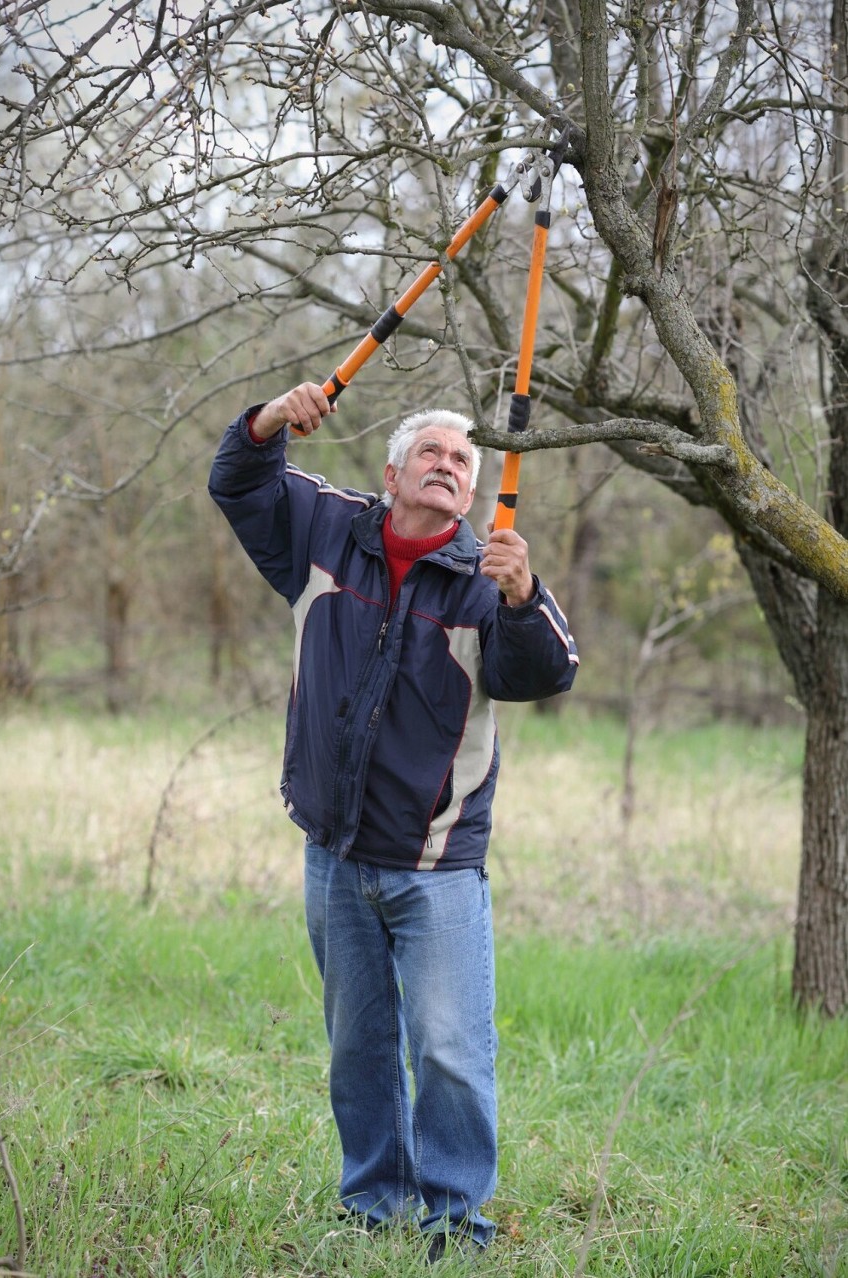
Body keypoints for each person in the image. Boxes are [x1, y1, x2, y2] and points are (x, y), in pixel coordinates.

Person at [208, 382, 579, 1263]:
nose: (448, 467)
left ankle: (456, 1222)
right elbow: (239, 479)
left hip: (438, 863)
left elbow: (545, 674)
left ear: (473, 489)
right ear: (393, 471)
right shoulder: (327, 532)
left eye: (463, 460)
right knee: (357, 1049)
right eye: (433, 453)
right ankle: (373, 1203)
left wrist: (525, 596)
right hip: (334, 853)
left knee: (450, 1051)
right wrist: (269, 418)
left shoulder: (489, 576)